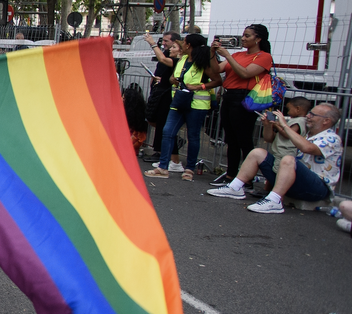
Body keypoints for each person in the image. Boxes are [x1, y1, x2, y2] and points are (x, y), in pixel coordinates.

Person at [207, 102, 342, 214]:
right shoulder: (308, 134)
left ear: (326, 121)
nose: (308, 116)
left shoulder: (332, 138)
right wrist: (268, 125)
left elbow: (307, 148)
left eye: (313, 114)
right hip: (295, 182)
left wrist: (284, 125)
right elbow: (269, 139)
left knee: (288, 159)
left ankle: (274, 200)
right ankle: (235, 187)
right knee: (258, 152)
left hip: (317, 188)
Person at [144, 34, 219, 181]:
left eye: (184, 42)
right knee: (167, 131)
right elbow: (175, 76)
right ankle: (163, 167)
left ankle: (189, 169)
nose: (182, 44)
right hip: (178, 101)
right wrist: (173, 79)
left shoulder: (202, 62)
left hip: (197, 104)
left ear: (188, 45)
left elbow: (217, 81)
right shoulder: (182, 60)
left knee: (193, 135)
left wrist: (199, 87)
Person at [211, 24, 273, 185]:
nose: (243, 39)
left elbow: (245, 73)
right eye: (243, 35)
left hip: (244, 98)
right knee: (231, 139)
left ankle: (247, 178)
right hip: (229, 96)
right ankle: (231, 174)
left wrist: (228, 56)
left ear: (258, 39)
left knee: (243, 139)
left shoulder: (264, 57)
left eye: (247, 36)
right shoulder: (238, 54)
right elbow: (217, 69)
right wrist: (212, 53)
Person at [141, 31, 182, 162]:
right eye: (162, 41)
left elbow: (163, 60)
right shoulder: (167, 55)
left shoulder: (177, 60)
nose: (164, 44)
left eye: (167, 42)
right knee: (154, 119)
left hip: (168, 95)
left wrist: (153, 44)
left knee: (164, 125)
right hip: (158, 92)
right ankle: (163, 149)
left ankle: (166, 155)